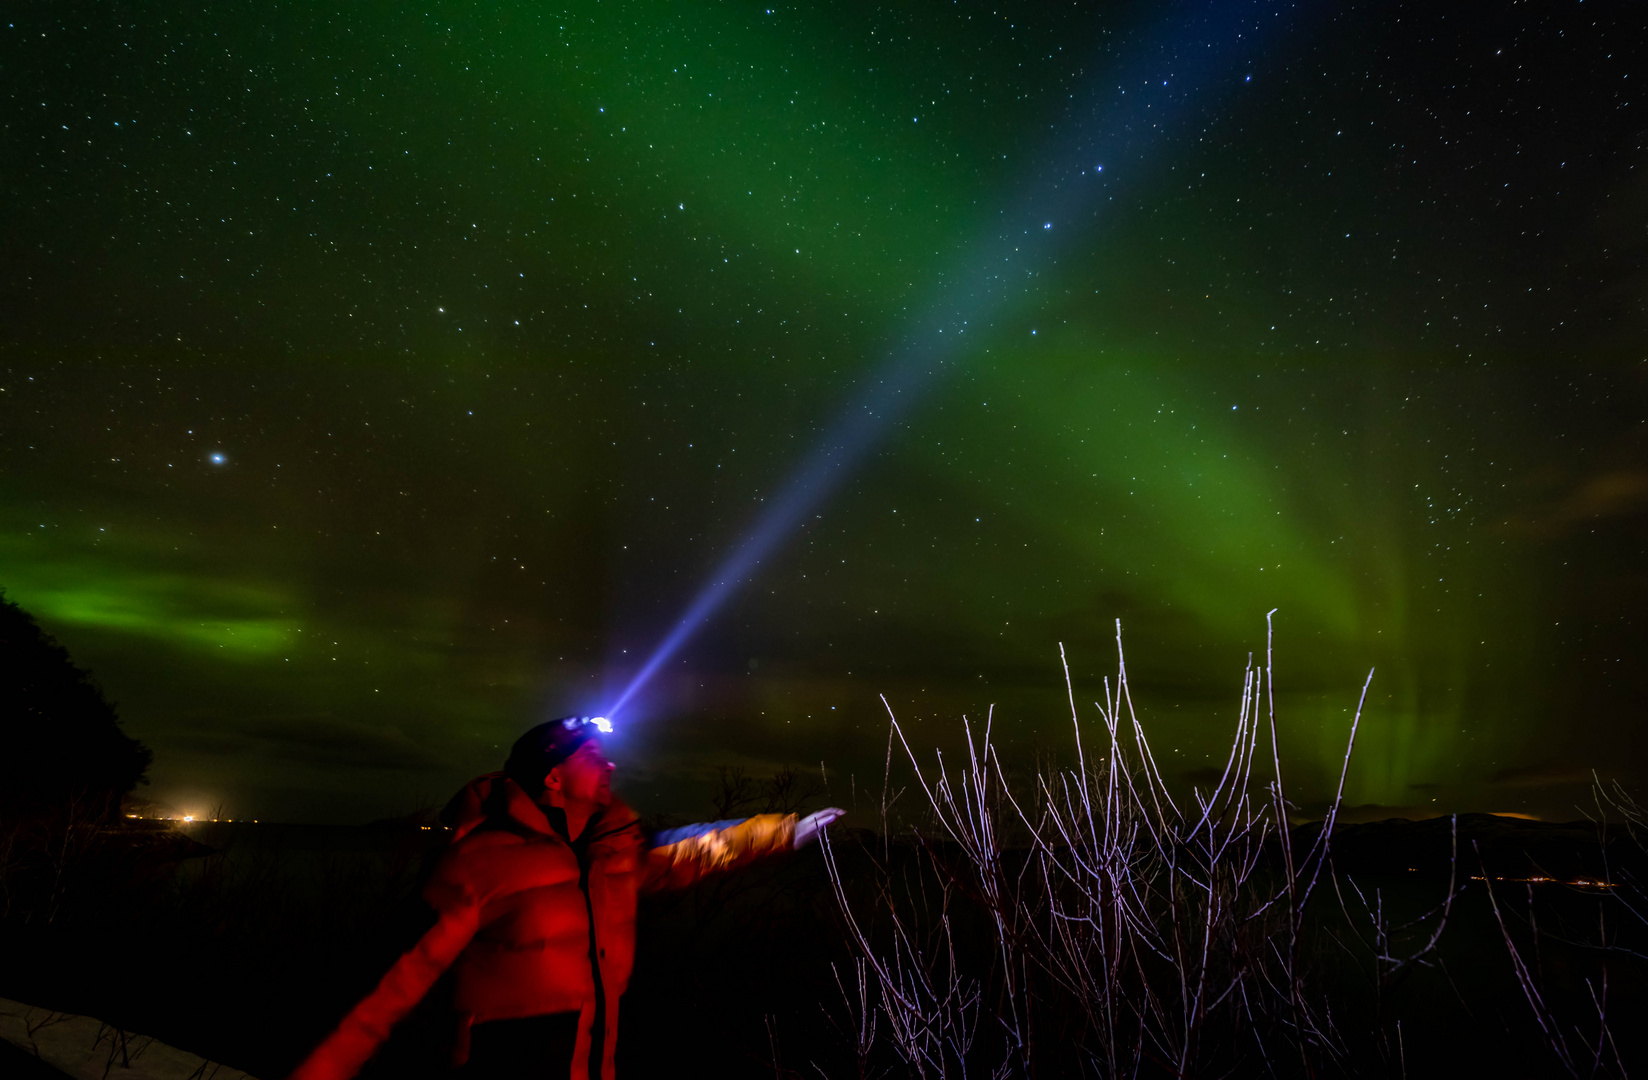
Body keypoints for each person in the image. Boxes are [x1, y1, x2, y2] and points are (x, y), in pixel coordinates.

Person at [289, 716, 844, 1080]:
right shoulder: (479, 861)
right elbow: (386, 988)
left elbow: (686, 854)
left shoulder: (607, 853)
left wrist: (779, 833)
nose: (610, 766)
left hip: (592, 1059)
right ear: (553, 777)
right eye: (594, 757)